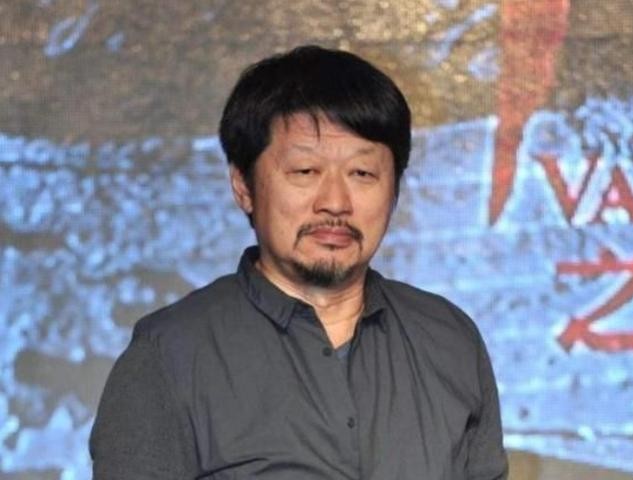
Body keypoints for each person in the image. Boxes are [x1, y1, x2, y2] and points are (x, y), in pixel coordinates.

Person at [90, 45, 508, 479]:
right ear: (243, 186)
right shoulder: (169, 355)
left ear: (395, 189)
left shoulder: (449, 340)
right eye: (305, 171)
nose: (335, 202)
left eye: (362, 174)